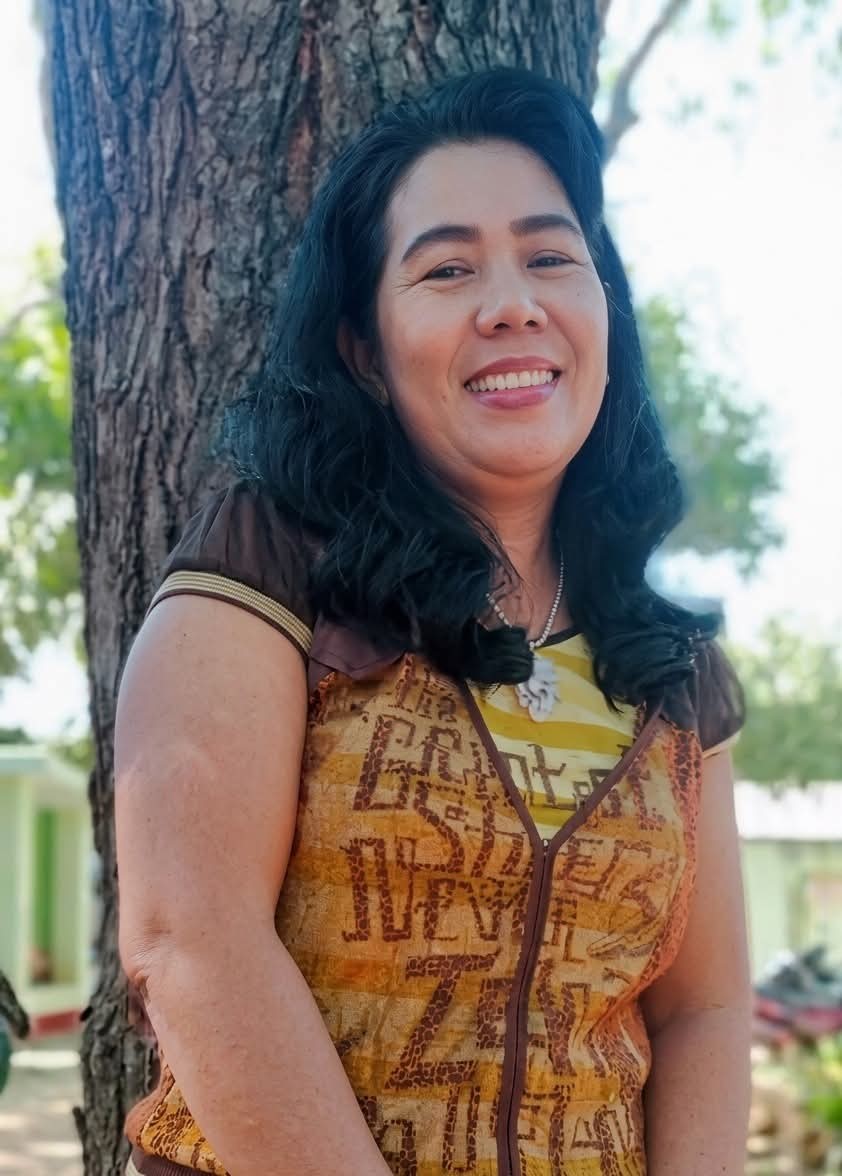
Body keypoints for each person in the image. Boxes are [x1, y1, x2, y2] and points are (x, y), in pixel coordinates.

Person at [115, 66, 752, 1176]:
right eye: (447, 269)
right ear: (364, 351)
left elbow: (704, 1010)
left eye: (550, 258)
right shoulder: (269, 565)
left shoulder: (675, 666)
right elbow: (189, 940)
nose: (512, 304)